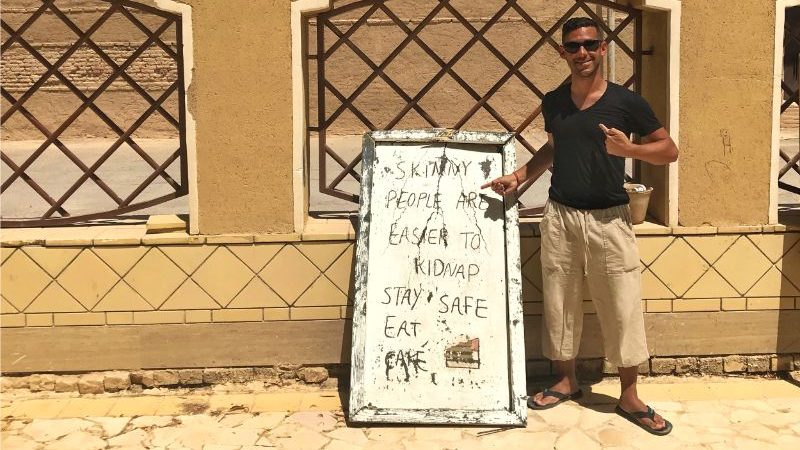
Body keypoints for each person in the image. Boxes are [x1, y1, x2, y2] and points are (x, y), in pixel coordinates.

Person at [482, 17, 678, 435]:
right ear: (563, 52)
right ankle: (566, 380)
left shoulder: (627, 103)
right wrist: (519, 177)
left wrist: (632, 148)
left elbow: (669, 150)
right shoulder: (554, 101)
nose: (582, 53)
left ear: (603, 48)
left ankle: (629, 395)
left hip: (610, 217)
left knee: (622, 303)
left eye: (590, 44)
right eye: (573, 47)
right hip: (561, 215)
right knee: (560, 300)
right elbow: (553, 150)